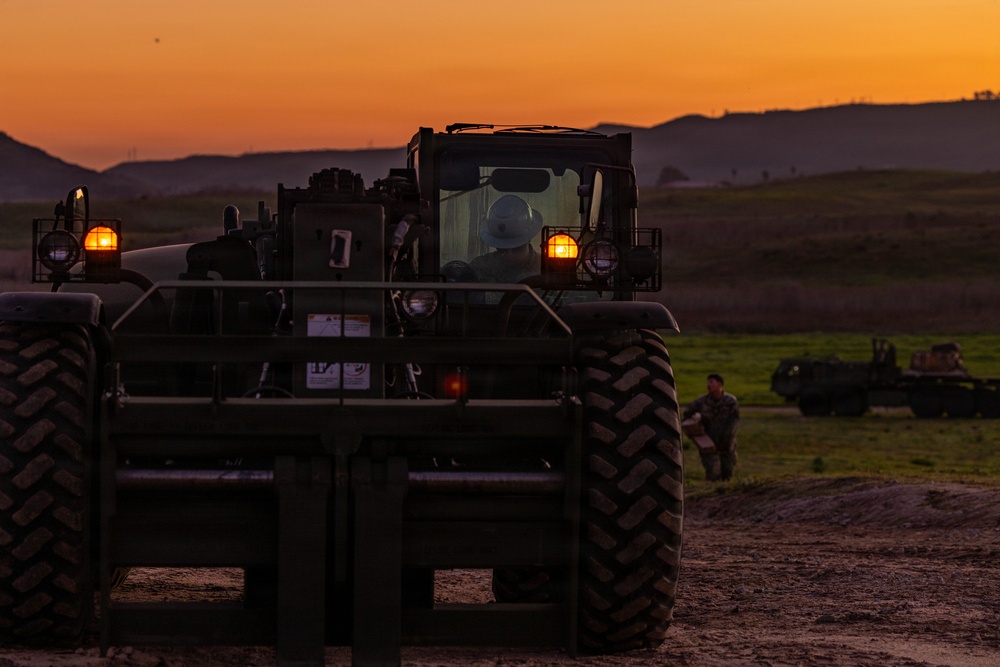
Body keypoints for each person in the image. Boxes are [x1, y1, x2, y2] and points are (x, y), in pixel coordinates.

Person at [469, 195, 543, 284]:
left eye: (517, 248)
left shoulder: (549, 269)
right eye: (502, 249)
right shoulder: (479, 268)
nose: (509, 254)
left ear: (528, 239)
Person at [683, 373, 740, 481]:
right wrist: (695, 423)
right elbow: (687, 413)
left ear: (720, 384)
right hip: (709, 442)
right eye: (708, 382)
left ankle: (724, 495)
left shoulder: (730, 401)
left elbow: (735, 420)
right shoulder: (701, 401)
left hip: (727, 443)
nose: (708, 385)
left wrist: (729, 435)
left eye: (711, 382)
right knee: (713, 473)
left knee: (727, 473)